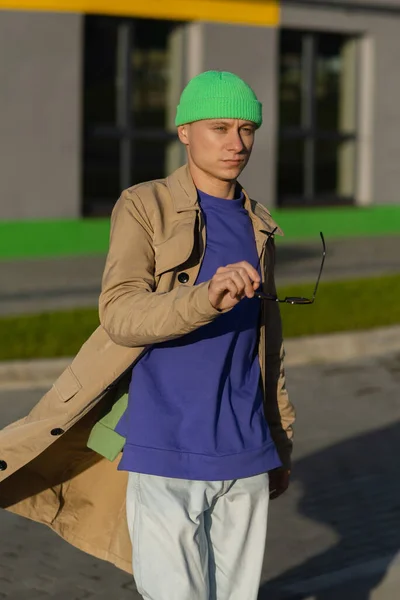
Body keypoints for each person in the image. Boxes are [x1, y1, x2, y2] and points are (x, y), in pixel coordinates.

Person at [0, 71, 295, 600]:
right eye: (219, 127)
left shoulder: (259, 225)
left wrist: (279, 442)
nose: (236, 143)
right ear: (185, 131)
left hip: (245, 449)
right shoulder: (145, 206)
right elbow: (120, 312)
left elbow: (266, 348)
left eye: (247, 129)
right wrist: (203, 298)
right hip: (166, 446)